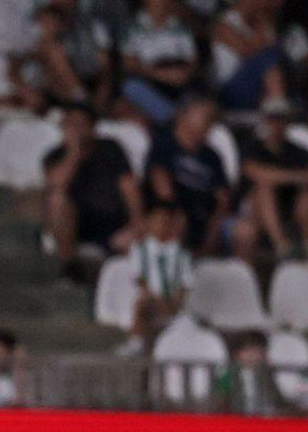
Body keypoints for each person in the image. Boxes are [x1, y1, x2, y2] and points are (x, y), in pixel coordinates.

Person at [43, 103, 144, 267]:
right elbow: (56, 184)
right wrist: (74, 152)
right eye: (71, 123)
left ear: (92, 128)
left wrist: (137, 222)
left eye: (81, 124)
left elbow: (128, 186)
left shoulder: (110, 148)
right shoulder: (55, 156)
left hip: (112, 220)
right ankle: (69, 267)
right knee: (56, 200)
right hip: (76, 222)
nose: (76, 129)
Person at [237, 99, 308, 259]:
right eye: (273, 119)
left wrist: (283, 177)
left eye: (281, 119)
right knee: (265, 189)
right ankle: (283, 248)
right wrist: (298, 176)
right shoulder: (252, 147)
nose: (276, 124)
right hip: (256, 209)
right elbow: (255, 173)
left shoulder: (298, 151)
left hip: (291, 207)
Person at [144, 98, 231, 256]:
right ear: (183, 117)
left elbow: (222, 199)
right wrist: (180, 212)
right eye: (204, 116)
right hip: (172, 212)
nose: (209, 123)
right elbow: (163, 189)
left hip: (203, 216)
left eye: (210, 119)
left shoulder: (212, 157)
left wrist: (214, 226)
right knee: (166, 219)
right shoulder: (163, 146)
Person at [124, 201, 193, 356]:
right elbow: (139, 280)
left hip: (173, 303)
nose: (161, 225)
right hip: (150, 301)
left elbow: (185, 285)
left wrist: (174, 303)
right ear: (149, 223)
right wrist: (158, 300)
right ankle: (136, 342)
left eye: (165, 221)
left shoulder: (182, 255)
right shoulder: (139, 250)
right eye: (157, 220)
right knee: (142, 302)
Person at [120, 0, 200, 124]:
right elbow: (129, 63)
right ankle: (174, 120)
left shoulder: (180, 26)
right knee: (131, 87)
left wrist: (183, 74)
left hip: (179, 75)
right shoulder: (132, 27)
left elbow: (193, 60)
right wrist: (160, 75)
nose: (161, 3)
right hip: (149, 77)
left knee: (199, 89)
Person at [215, 330, 290, 416]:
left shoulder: (267, 374)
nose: (251, 356)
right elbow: (222, 399)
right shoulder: (228, 374)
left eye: (257, 352)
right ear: (236, 354)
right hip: (236, 417)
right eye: (247, 351)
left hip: (263, 417)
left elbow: (276, 399)